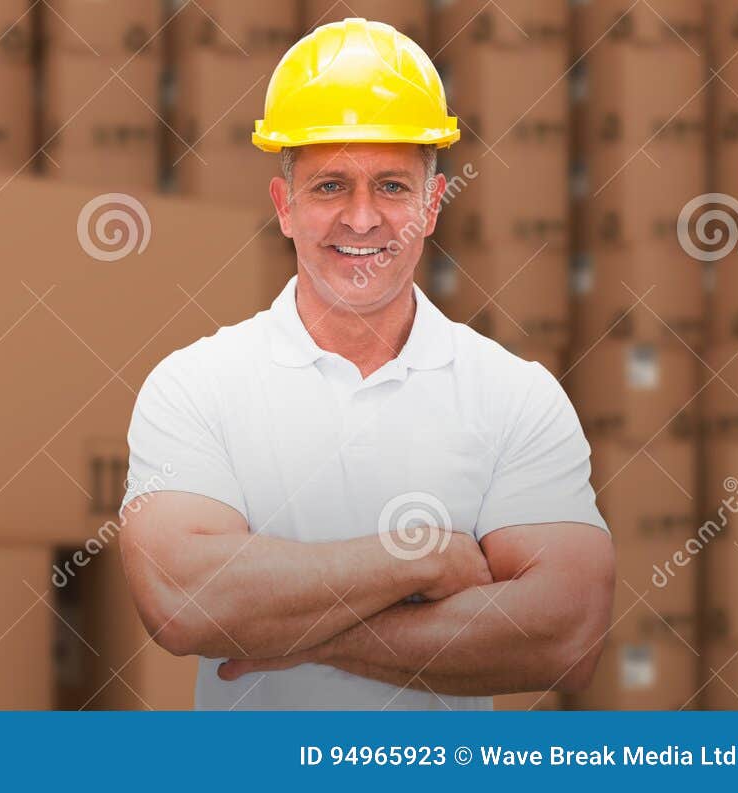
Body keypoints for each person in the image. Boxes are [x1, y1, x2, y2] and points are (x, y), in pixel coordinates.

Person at [119, 18, 613, 710]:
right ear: (284, 206)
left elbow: (568, 633)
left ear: (432, 205)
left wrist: (305, 635)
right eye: (329, 187)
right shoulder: (195, 387)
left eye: (391, 187)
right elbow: (181, 599)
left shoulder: (515, 396)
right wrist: (423, 556)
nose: (361, 219)